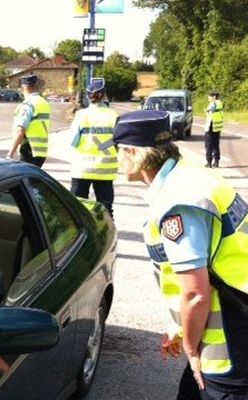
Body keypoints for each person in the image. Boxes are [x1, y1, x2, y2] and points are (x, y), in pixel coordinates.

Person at [111, 109, 248, 399]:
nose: (116, 159)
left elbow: (195, 293)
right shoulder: (192, 175)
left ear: (132, 152)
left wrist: (189, 346)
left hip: (230, 339)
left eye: (117, 151)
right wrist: (180, 325)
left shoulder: (178, 202)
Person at [68, 77, 119, 216]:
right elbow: (117, 142)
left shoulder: (81, 115)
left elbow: (72, 141)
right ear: (104, 94)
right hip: (105, 171)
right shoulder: (114, 116)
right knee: (106, 210)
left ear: (88, 96)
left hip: (82, 169)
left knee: (76, 209)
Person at [6, 74, 51, 168]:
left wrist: (11, 153)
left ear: (23, 87)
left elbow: (20, 131)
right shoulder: (43, 103)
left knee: (26, 181)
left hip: (29, 149)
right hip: (41, 151)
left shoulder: (27, 105)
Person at [204, 91, 224, 168]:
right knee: (216, 144)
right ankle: (216, 162)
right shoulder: (219, 103)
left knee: (208, 144)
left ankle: (209, 162)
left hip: (211, 126)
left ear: (214, 97)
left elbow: (212, 111)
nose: (208, 97)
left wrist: (207, 110)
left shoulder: (214, 103)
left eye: (209, 96)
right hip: (217, 127)